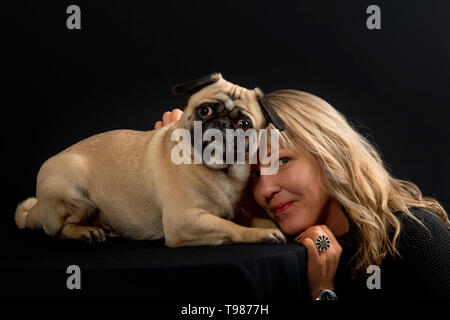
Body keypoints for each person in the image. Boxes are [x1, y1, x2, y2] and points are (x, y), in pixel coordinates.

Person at [155, 90, 450, 300]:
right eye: (254, 174)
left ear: (331, 154)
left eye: (282, 161)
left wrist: (322, 291)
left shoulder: (417, 238)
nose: (266, 190)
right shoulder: (269, 247)